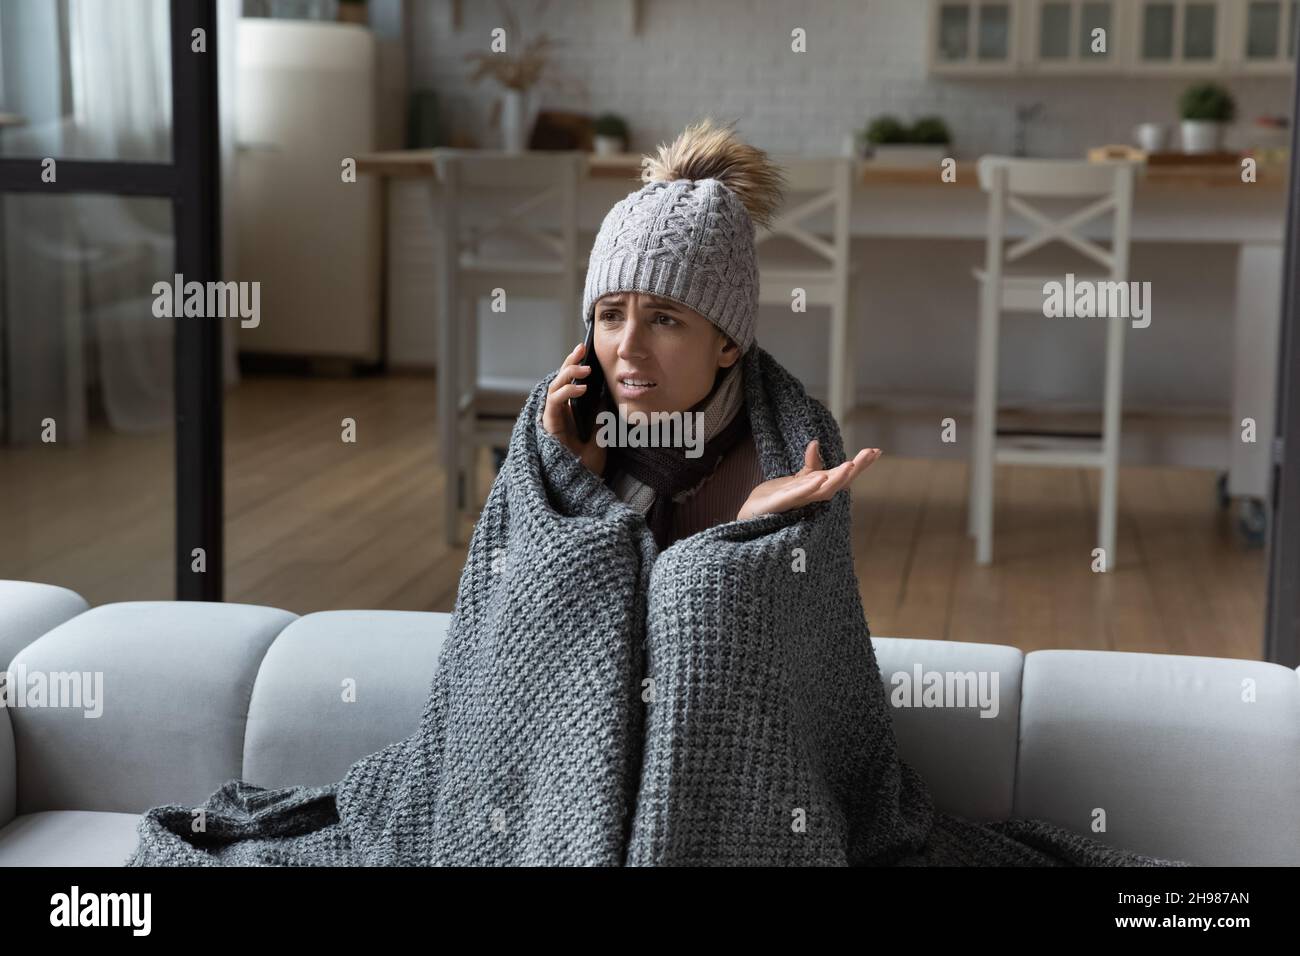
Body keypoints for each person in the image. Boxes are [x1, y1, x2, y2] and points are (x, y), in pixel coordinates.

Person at [538, 117, 880, 550]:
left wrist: (748, 525)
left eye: (664, 320)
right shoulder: (565, 429)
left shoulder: (787, 457)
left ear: (728, 344)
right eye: (610, 316)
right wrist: (572, 477)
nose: (627, 347)